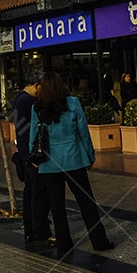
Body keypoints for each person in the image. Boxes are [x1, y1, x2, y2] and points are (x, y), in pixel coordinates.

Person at [29, 72, 114, 259]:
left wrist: (34, 158)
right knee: (87, 202)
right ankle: (99, 241)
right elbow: (83, 131)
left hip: (50, 163)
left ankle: (64, 243)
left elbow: (33, 136)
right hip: (74, 159)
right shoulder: (73, 103)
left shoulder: (38, 107)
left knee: (57, 206)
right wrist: (90, 155)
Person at [10, 72, 53, 248]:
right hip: (32, 155)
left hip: (24, 153)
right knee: (38, 195)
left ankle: (31, 230)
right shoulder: (28, 102)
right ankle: (40, 231)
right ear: (36, 85)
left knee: (30, 194)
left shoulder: (18, 98)